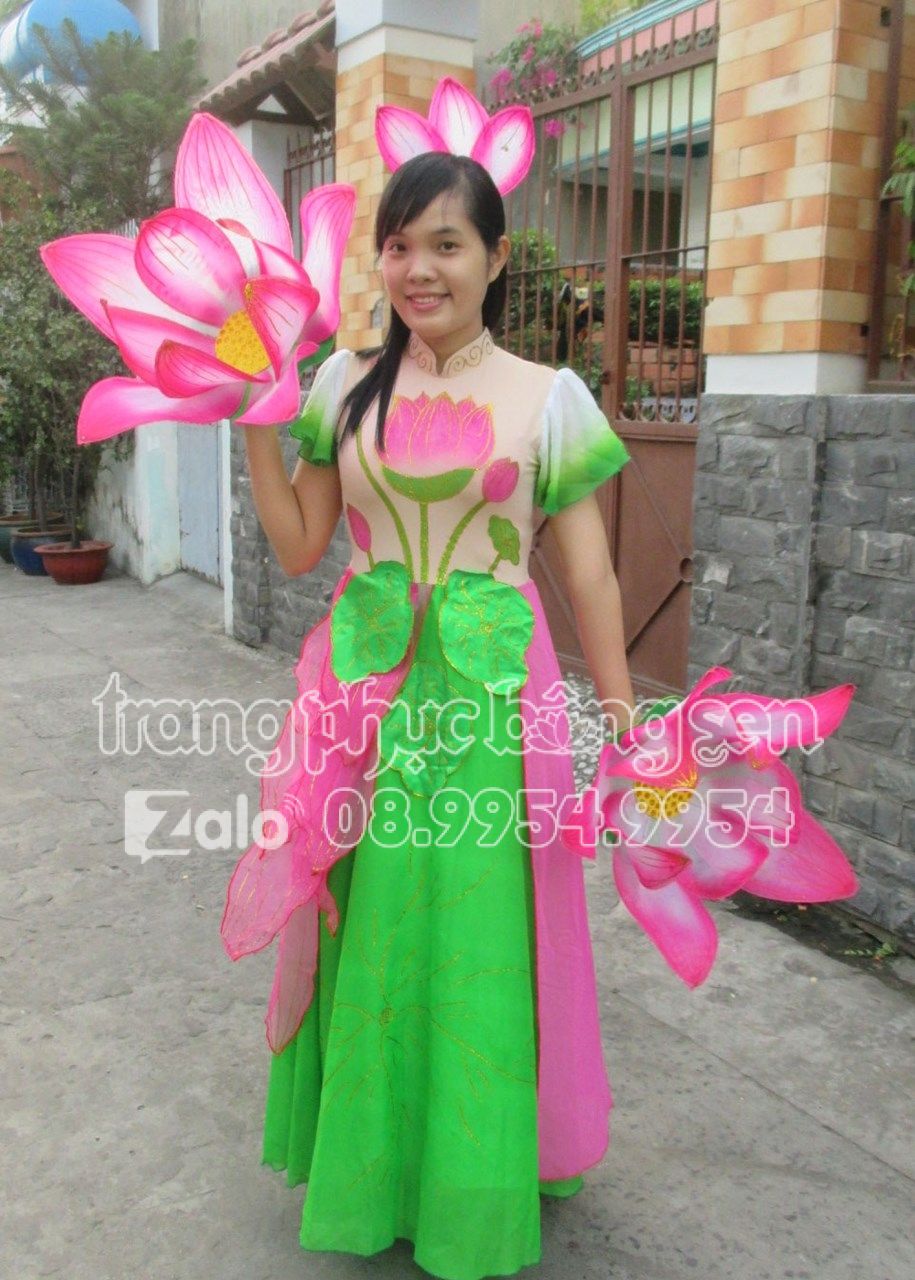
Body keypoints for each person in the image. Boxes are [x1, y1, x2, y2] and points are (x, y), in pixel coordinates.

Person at [230, 141, 638, 1280]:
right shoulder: (340, 384)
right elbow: (301, 545)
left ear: (495, 259)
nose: (419, 268)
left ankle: (469, 1176)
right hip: (363, 694)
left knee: (476, 937)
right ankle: (372, 1166)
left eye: (446, 244)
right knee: (369, 919)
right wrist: (254, 412)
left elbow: (591, 573)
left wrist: (623, 722)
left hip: (492, 703)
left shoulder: (549, 399)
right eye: (399, 244)